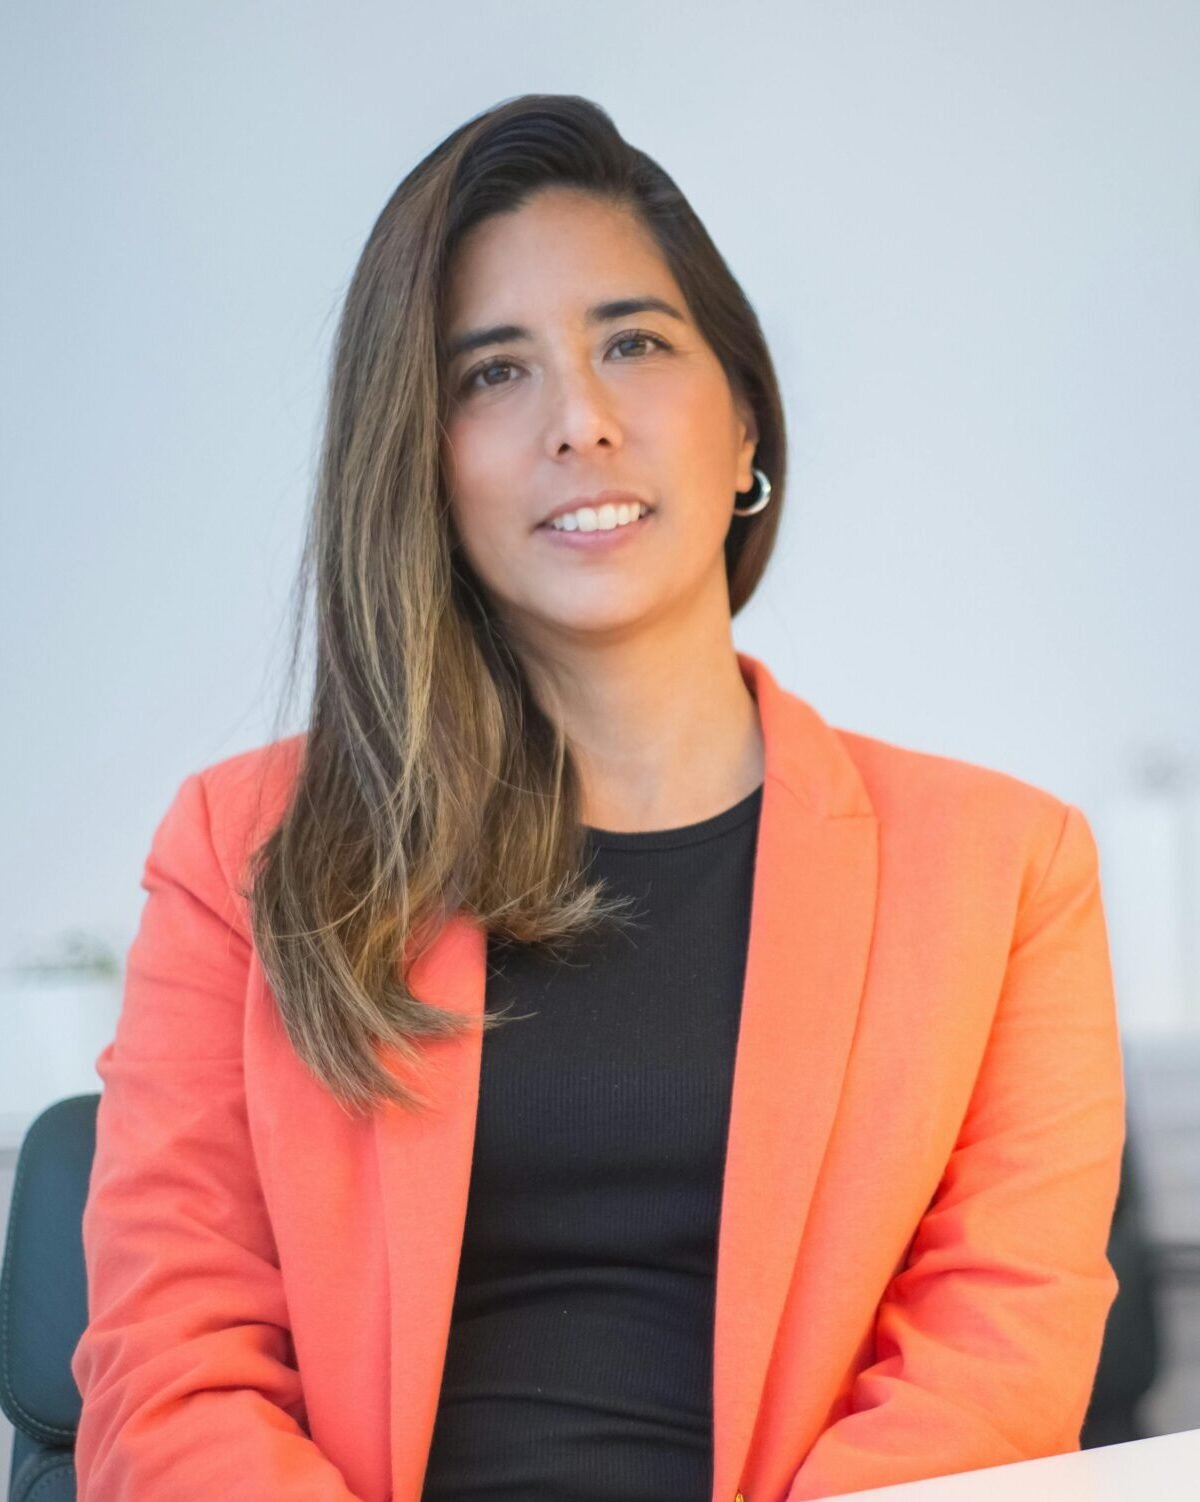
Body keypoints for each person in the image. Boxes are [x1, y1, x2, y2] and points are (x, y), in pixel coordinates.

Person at [70, 94, 1126, 1502]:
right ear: (421, 467)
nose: (581, 420)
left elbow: (994, 1373)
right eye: (491, 374)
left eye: (634, 342)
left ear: (744, 416)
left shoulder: (1006, 872)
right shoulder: (243, 852)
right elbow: (176, 1367)